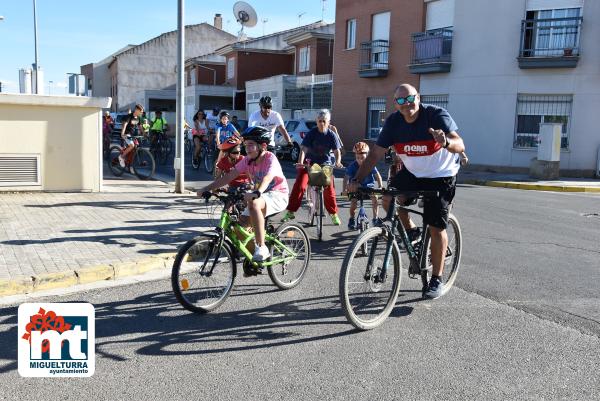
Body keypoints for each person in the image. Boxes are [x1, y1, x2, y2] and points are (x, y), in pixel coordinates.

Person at [348, 83, 465, 300]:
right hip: (414, 173)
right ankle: (412, 231)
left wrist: (446, 141)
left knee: (436, 226)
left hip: (442, 174)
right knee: (388, 198)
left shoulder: (435, 115)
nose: (406, 104)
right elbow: (374, 155)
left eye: (410, 99)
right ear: (395, 104)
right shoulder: (393, 123)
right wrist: (356, 180)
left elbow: (460, 144)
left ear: (418, 98)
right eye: (400, 101)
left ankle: (436, 278)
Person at [199, 126, 289, 262]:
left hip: (277, 194)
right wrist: (207, 188)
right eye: (246, 145)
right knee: (239, 227)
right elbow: (228, 177)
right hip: (261, 195)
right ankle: (255, 259)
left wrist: (257, 192)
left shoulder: (270, 158)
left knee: (253, 203)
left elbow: (267, 178)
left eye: (251, 145)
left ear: (263, 146)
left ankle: (262, 246)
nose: (247, 148)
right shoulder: (247, 160)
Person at [281, 109, 343, 225]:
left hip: (325, 164)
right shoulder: (312, 133)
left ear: (328, 122)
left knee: (329, 189)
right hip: (309, 164)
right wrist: (300, 162)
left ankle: (333, 214)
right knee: (300, 185)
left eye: (324, 121)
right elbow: (304, 149)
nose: (321, 123)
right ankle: (291, 211)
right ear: (316, 121)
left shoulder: (331, 135)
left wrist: (338, 161)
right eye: (319, 121)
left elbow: (337, 151)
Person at [342, 142, 383, 229]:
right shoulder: (352, 166)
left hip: (368, 188)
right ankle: (352, 218)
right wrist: (344, 190)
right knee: (353, 203)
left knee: (375, 198)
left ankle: (375, 218)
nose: (360, 160)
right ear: (355, 157)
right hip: (355, 188)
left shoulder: (370, 164)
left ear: (367, 156)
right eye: (358, 158)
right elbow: (346, 178)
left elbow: (377, 176)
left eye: (363, 158)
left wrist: (380, 186)